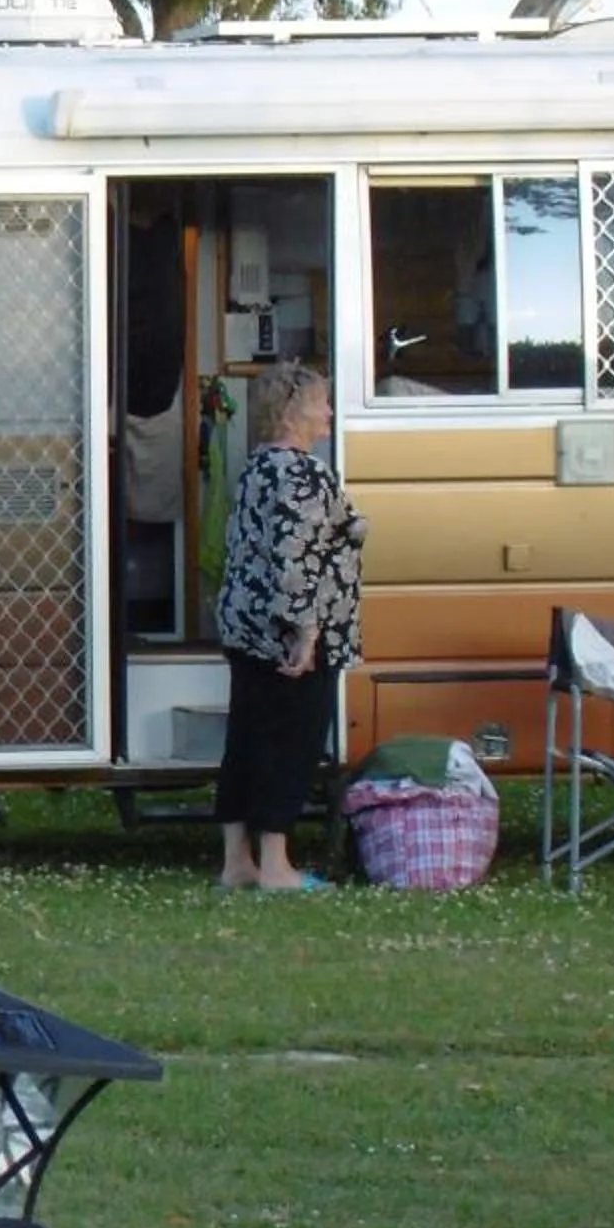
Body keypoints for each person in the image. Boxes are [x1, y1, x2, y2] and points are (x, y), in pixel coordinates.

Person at [212, 360, 365, 890]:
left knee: (247, 740)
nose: (328, 412)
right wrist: (307, 632)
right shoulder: (302, 473)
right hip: (287, 637)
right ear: (296, 410)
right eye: (322, 402)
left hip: (244, 627)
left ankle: (237, 862)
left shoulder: (258, 467)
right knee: (290, 743)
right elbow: (295, 558)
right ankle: (277, 866)